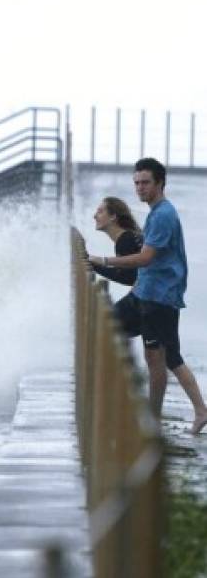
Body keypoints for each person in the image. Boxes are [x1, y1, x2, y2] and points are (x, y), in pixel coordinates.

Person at [89, 157, 207, 435]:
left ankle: (167, 417)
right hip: (145, 292)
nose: (140, 188)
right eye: (137, 183)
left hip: (160, 297)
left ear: (160, 183)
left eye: (145, 183)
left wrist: (101, 260)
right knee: (105, 330)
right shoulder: (155, 213)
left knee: (164, 359)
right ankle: (140, 406)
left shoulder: (164, 214)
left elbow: (146, 258)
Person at [90, 196, 142, 286]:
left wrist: (93, 265)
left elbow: (127, 277)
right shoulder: (127, 237)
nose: (94, 216)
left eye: (100, 212)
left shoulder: (126, 240)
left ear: (113, 217)